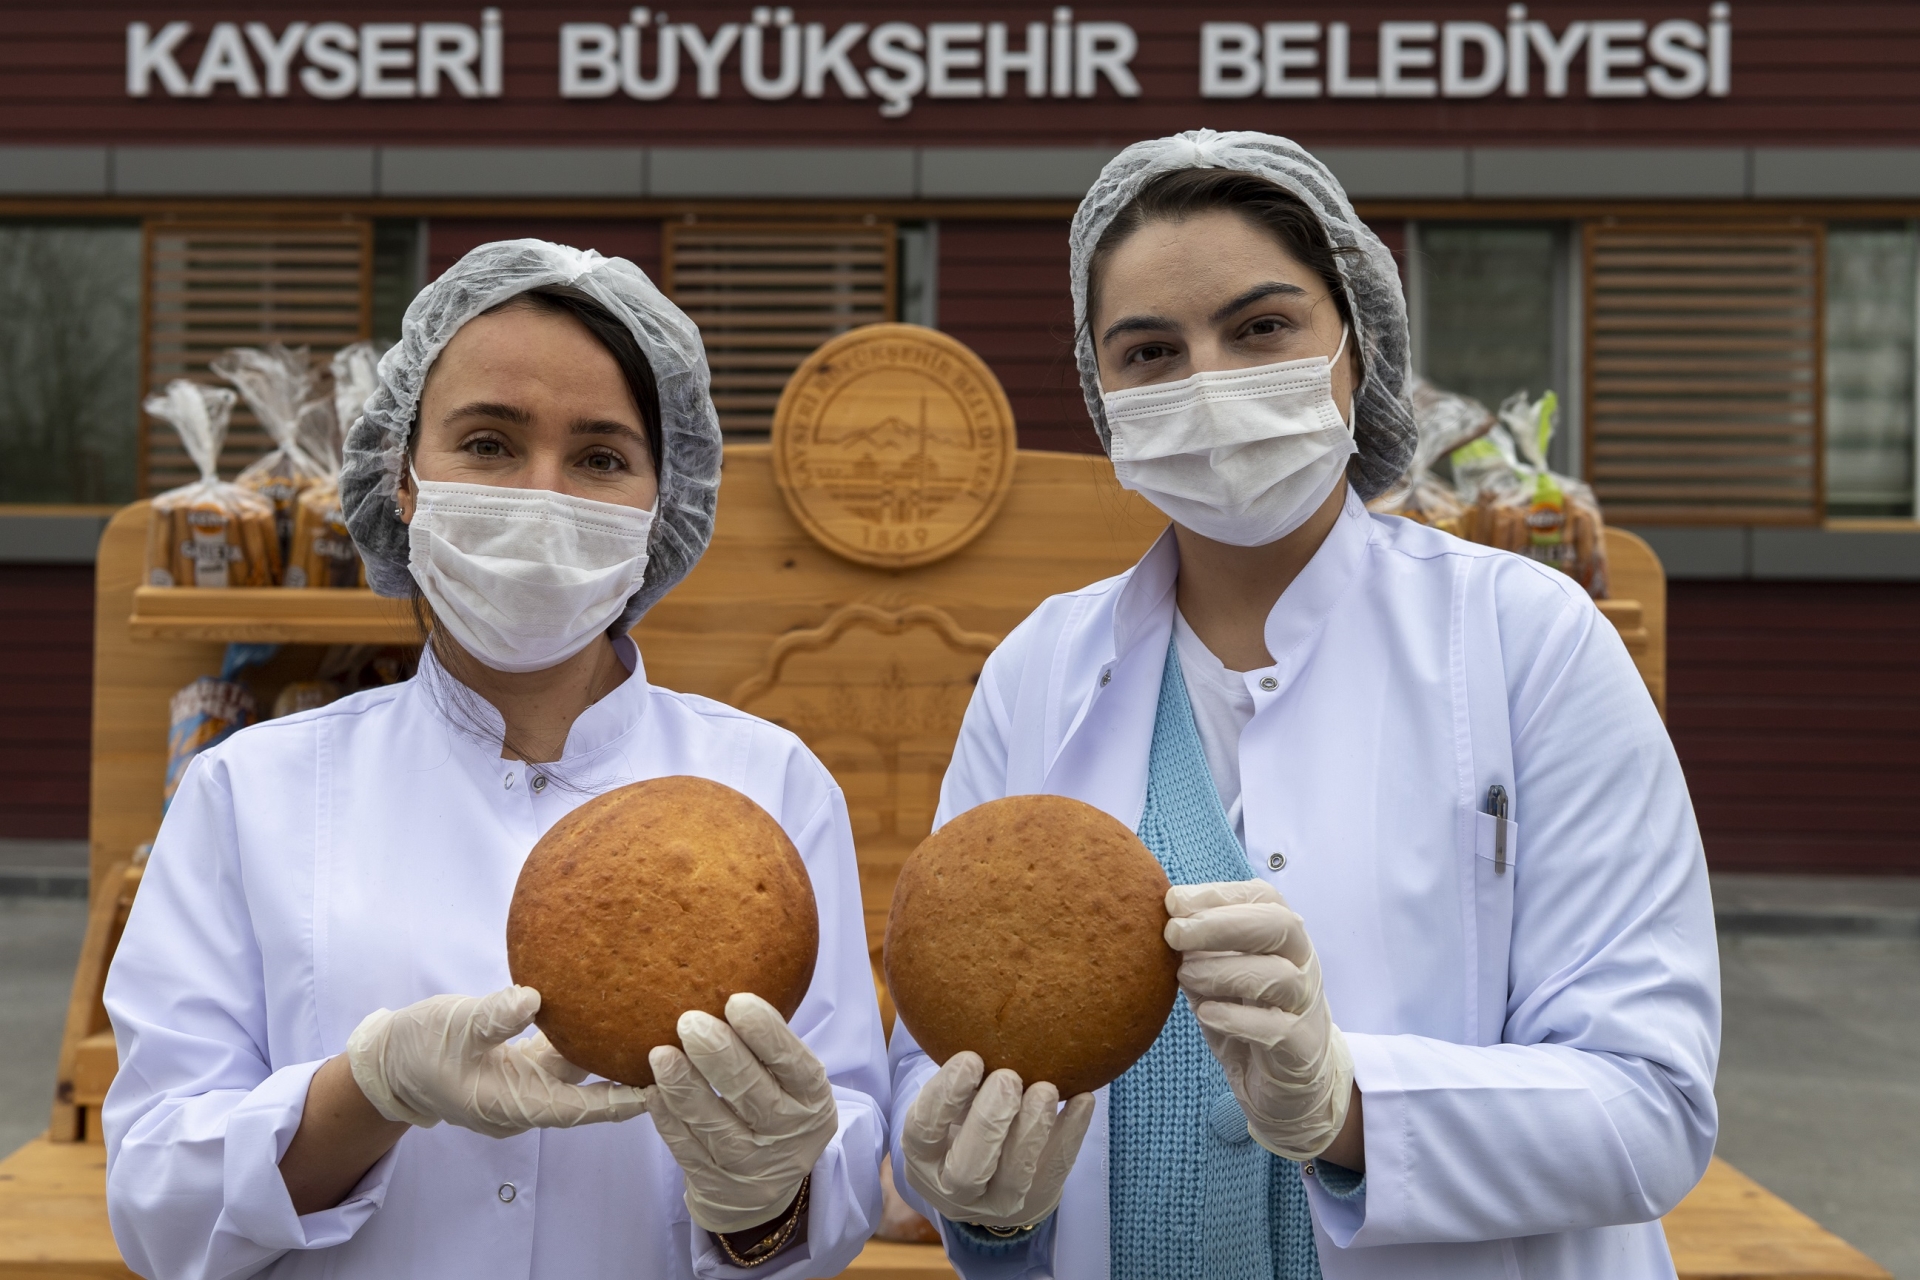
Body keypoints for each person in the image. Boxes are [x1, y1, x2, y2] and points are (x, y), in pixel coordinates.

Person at [887, 131, 1719, 1279]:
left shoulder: (1530, 640)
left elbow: (1653, 1100)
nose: (1209, 381)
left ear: (1356, 344)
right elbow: (939, 1057)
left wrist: (1350, 1103)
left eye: (1262, 328)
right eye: (1150, 350)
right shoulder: (1037, 671)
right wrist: (983, 1205)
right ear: (1102, 393)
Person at [103, 240, 888, 1280]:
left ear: (665, 502)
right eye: (487, 443)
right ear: (403, 478)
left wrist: (766, 1197)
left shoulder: (771, 790)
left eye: (601, 458)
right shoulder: (251, 793)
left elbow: (836, 1179)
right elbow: (158, 1204)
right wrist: (368, 1093)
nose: (540, 494)